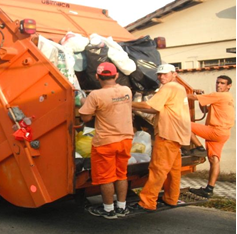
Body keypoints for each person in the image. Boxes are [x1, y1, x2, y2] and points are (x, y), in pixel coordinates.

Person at [131, 64, 191, 212]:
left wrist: (127, 103)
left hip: (167, 134)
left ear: (174, 74)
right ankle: (171, 198)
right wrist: (134, 107)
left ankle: (147, 202)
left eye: (165, 74)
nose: (161, 77)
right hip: (177, 135)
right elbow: (155, 108)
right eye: (159, 74)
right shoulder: (180, 88)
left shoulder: (169, 87)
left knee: (158, 169)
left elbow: (149, 105)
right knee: (173, 170)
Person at [79, 62, 134, 219]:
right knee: (121, 175)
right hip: (125, 139)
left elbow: (86, 117)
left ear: (97, 77)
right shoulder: (126, 90)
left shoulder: (95, 95)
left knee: (106, 178)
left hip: (105, 142)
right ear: (116, 75)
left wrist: (85, 102)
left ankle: (109, 210)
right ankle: (122, 208)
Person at [187, 75, 235, 198]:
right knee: (214, 160)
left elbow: (192, 97)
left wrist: (176, 94)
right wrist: (201, 95)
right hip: (223, 133)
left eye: (222, 83)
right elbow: (204, 110)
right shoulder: (227, 97)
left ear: (228, 86)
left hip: (215, 131)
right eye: (217, 82)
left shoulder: (220, 95)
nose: (219, 85)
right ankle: (209, 189)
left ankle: (199, 147)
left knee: (184, 124)